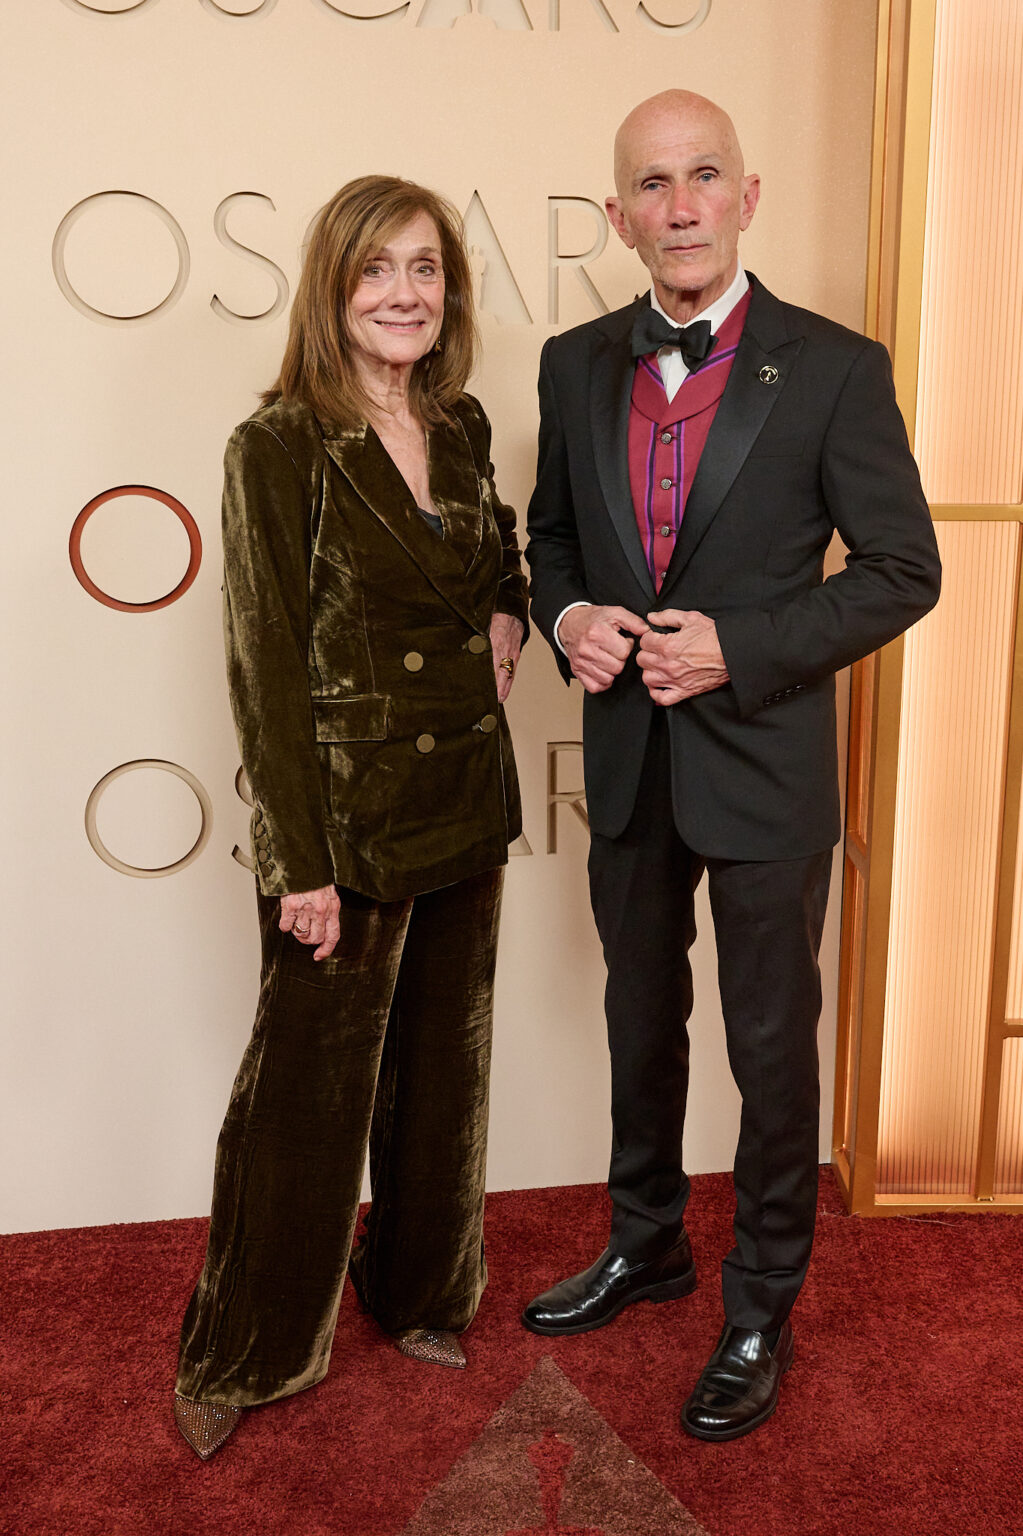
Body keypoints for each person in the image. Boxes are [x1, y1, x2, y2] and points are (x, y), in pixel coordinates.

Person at [522, 90, 940, 1441]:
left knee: (768, 1050)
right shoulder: (571, 363)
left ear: (747, 197)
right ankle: (645, 1243)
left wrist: (738, 648)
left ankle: (760, 1303)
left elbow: (903, 569)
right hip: (629, 763)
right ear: (618, 216)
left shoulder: (835, 368)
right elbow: (551, 544)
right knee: (638, 1022)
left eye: (704, 176)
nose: (681, 205)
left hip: (764, 767)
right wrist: (568, 620)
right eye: (651, 184)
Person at [173, 175, 527, 1460]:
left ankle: (419, 1291)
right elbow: (263, 664)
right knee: (304, 1102)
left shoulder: (463, 421)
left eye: (425, 269)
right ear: (332, 288)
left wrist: (510, 608)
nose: (403, 294)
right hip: (346, 824)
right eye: (376, 269)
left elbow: (496, 555)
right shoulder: (276, 445)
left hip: (462, 799)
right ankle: (247, 1346)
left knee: (444, 1077)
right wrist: (298, 866)